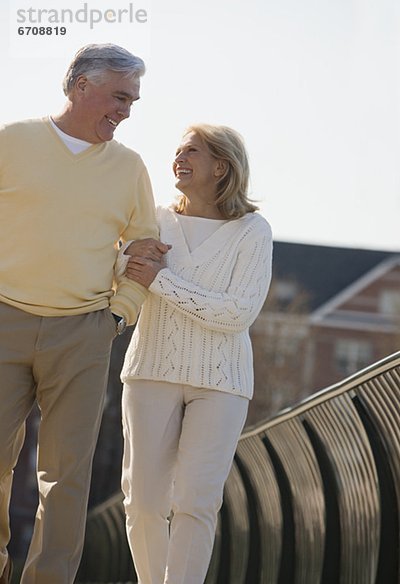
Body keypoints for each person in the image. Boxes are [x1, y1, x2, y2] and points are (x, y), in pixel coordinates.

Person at [0, 43, 167, 584]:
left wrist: (119, 315)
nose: (125, 110)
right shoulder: (13, 141)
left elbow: (145, 246)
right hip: (4, 321)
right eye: (119, 96)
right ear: (79, 87)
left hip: (83, 333)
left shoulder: (129, 167)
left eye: (132, 101)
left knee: (66, 477)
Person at [118, 123, 273, 583]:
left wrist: (160, 279)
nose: (178, 158)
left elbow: (237, 314)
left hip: (222, 383)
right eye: (178, 150)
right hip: (151, 371)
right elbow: (122, 266)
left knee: (196, 501)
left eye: (192, 151)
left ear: (221, 166)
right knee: (142, 500)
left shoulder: (252, 231)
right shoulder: (155, 219)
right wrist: (132, 264)